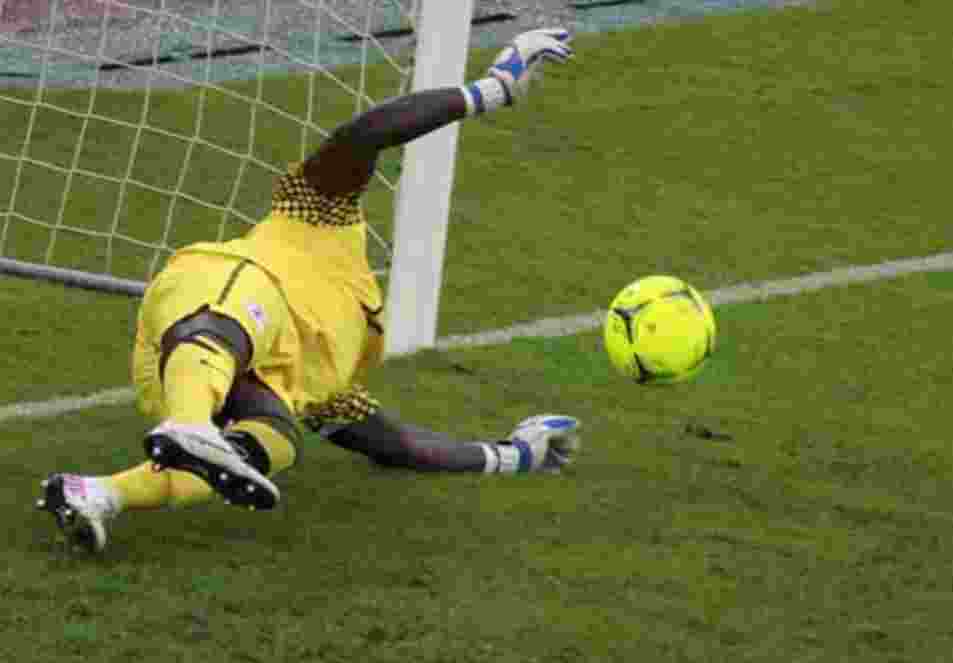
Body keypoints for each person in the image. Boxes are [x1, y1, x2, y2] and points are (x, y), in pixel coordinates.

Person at [36, 29, 582, 553]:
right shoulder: (317, 216)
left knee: (277, 440)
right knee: (257, 296)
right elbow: (362, 136)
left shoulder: (336, 370)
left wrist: (513, 456)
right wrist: (492, 90)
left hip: (189, 381)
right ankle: (192, 426)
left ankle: (102, 494)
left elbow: (397, 446)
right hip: (202, 306)